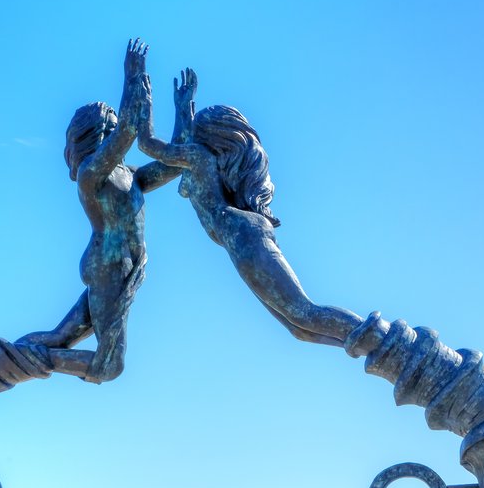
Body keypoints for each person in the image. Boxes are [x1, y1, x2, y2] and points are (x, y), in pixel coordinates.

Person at [135, 65, 360, 349]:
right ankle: (363, 348)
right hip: (241, 235)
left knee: (303, 312)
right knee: (298, 328)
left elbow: (148, 144)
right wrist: (183, 107)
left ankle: (380, 338)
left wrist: (142, 100)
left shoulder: (198, 157)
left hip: (242, 233)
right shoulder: (203, 161)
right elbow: (183, 141)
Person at [19, 39, 185, 385]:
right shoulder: (91, 173)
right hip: (108, 267)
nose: (113, 135)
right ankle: (25, 360)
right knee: (110, 365)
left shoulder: (131, 176)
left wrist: (184, 111)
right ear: (95, 135)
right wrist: (132, 76)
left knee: (58, 337)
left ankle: (11, 356)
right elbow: (128, 130)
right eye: (107, 130)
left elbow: (173, 165)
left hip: (119, 269)